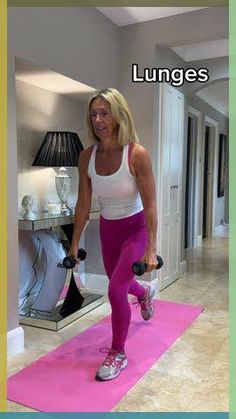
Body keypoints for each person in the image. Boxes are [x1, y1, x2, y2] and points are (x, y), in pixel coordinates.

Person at [68, 88, 158, 381]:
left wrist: (150, 249)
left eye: (104, 113)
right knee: (120, 282)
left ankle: (118, 353)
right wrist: (74, 243)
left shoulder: (137, 154)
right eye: (94, 114)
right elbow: (83, 203)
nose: (97, 119)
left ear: (118, 115)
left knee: (116, 289)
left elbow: (150, 204)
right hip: (109, 229)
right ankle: (144, 294)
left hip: (135, 228)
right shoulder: (86, 157)